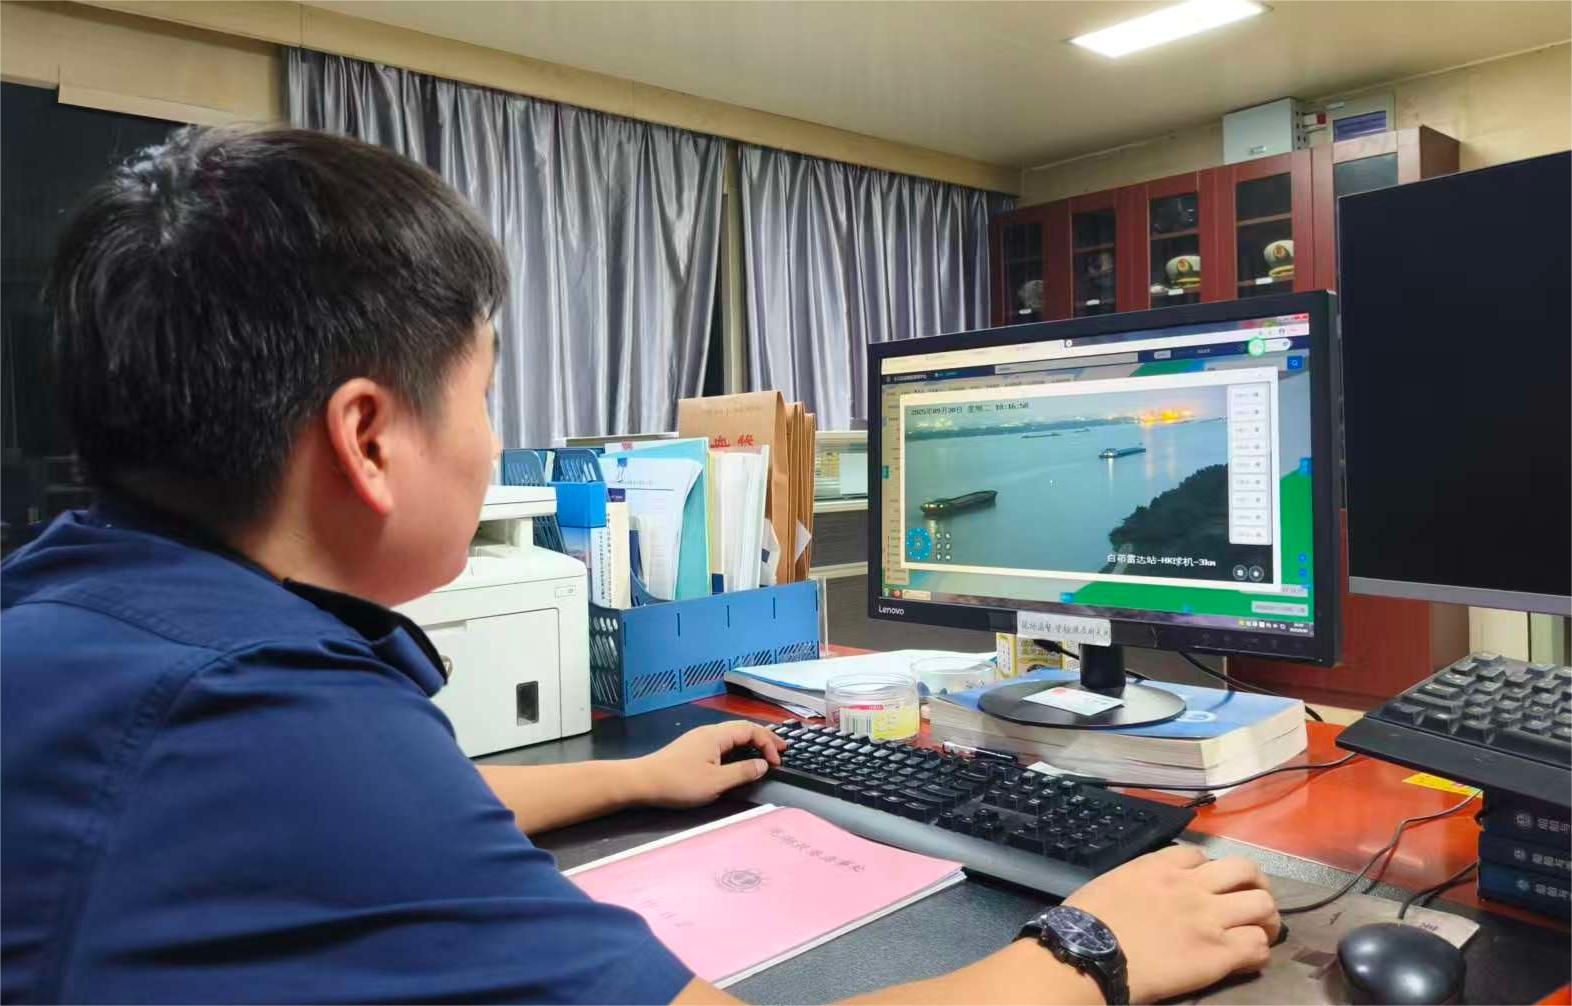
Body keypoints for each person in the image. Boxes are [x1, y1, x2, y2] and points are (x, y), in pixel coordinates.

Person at [0, 126, 1280, 1005]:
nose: (493, 437)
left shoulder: (85, 622)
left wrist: (630, 777)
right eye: (485, 394)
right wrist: (1088, 950)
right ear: (369, 438)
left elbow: (359, 819)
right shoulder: (266, 721)